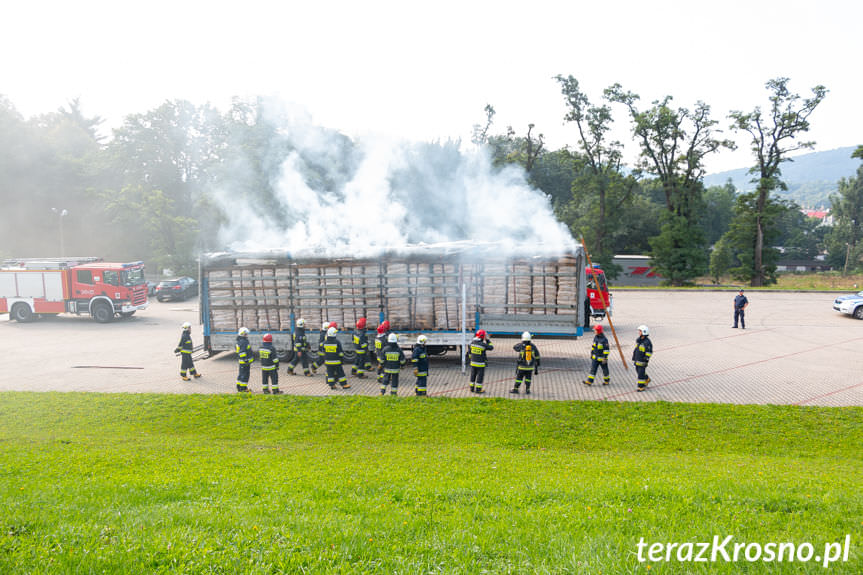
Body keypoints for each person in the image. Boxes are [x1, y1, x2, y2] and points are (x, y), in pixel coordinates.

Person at [323, 325, 351, 389]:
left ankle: (332, 385)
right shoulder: (337, 342)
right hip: (337, 362)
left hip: (328, 362)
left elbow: (323, 352)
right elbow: (340, 353)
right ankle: (344, 384)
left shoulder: (324, 343)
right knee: (340, 373)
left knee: (330, 373)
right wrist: (342, 360)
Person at [468, 329, 494, 394]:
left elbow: (469, 353)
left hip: (473, 363)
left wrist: (472, 359)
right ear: (483, 337)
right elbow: (491, 347)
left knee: (473, 375)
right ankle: (478, 390)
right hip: (480, 364)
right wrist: (487, 340)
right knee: (480, 377)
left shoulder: (472, 343)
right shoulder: (483, 345)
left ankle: (471, 388)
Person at [632, 325, 653, 392]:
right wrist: (634, 357)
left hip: (643, 361)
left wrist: (646, 359)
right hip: (637, 359)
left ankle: (641, 387)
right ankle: (647, 379)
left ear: (644, 332)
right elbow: (636, 349)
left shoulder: (647, 342)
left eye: (640, 331)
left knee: (640, 374)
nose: (639, 332)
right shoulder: (639, 340)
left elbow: (649, 352)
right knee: (638, 371)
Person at [235, 327, 254, 393]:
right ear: (242, 334)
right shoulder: (244, 342)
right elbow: (242, 352)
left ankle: (239, 387)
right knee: (245, 376)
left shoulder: (240, 341)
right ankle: (243, 389)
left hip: (242, 362)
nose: (247, 335)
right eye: (246, 334)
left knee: (241, 374)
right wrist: (246, 360)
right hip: (245, 362)